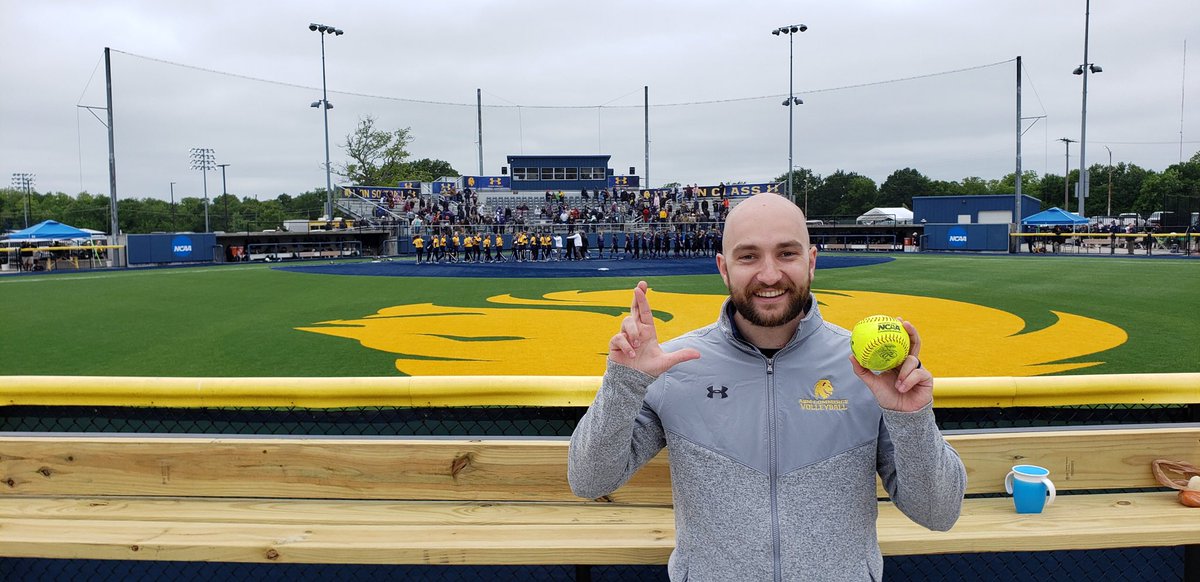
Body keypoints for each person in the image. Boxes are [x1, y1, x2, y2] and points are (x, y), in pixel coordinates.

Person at [568, 193, 965, 581]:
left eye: (787, 253)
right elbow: (590, 481)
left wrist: (910, 417)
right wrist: (624, 383)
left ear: (811, 262)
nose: (770, 274)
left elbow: (938, 512)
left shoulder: (869, 372)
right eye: (749, 256)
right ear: (724, 268)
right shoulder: (675, 365)